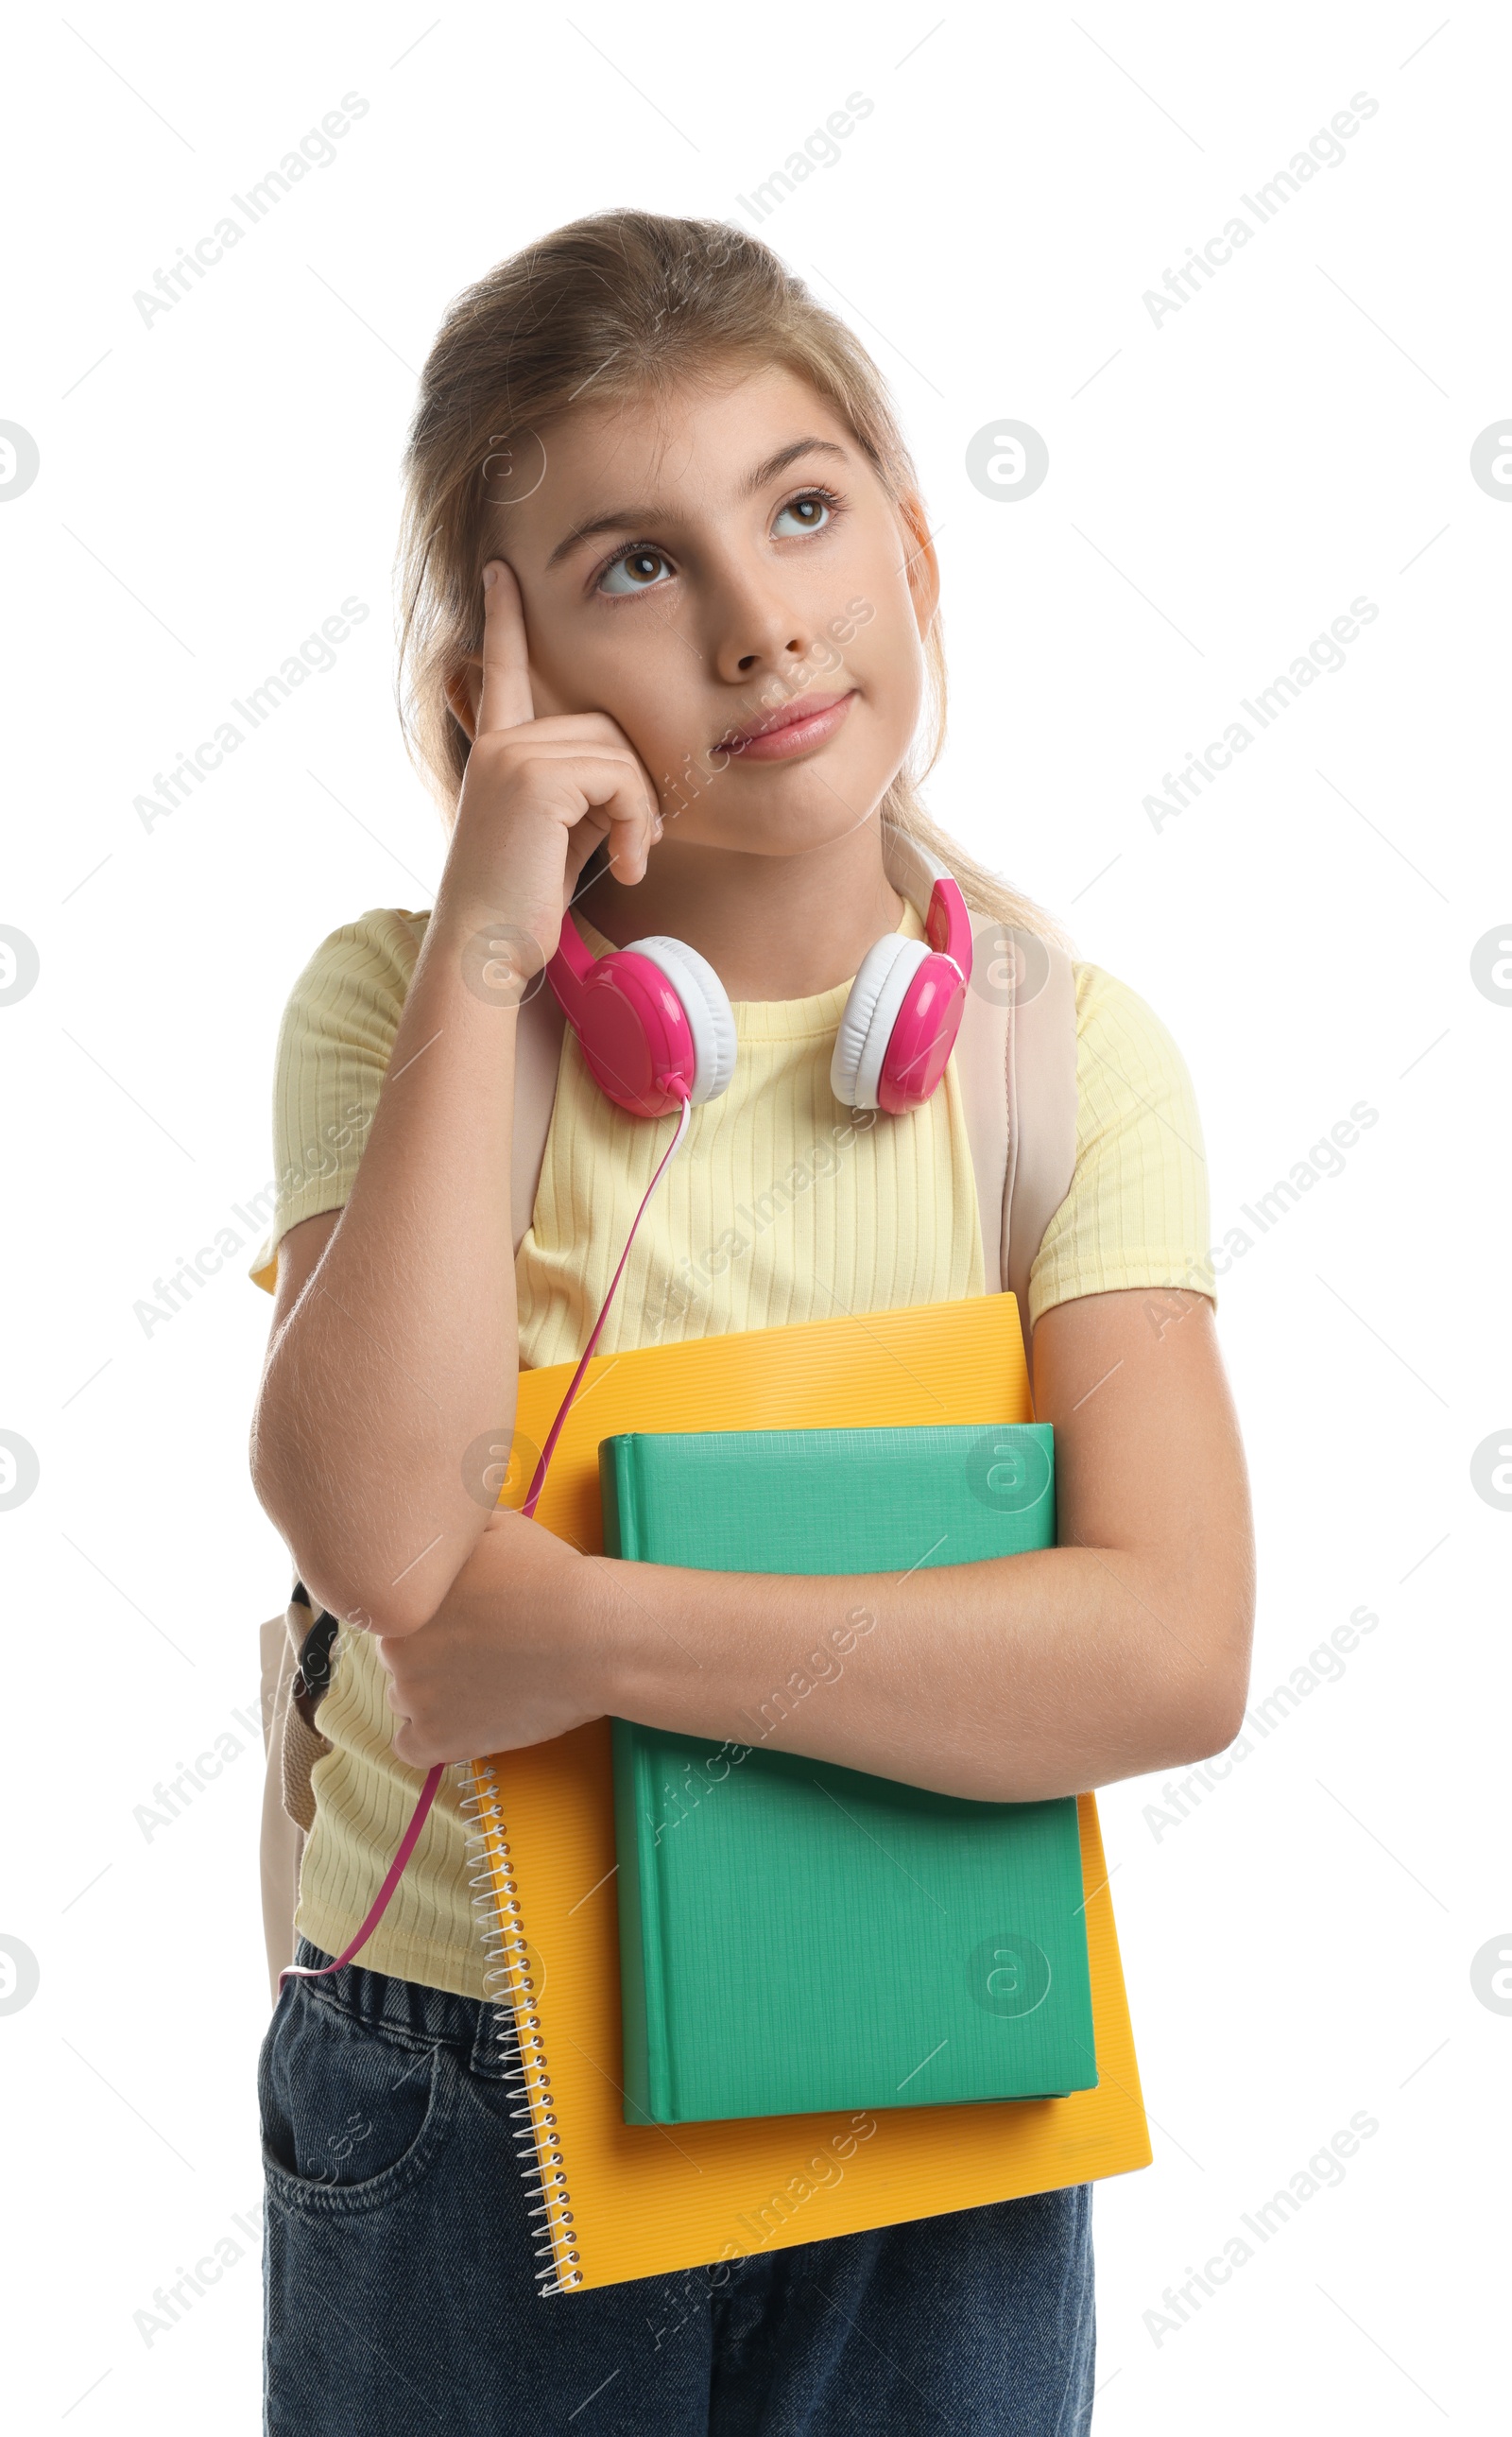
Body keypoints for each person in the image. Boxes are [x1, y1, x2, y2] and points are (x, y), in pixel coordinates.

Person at [248, 208, 1253, 2434]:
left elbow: (1169, 1650)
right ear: (490, 689)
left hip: (924, 2065)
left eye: (800, 511)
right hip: (467, 2069)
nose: (756, 617)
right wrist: (494, 956)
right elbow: (373, 1534)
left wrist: (594, 1631)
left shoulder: (1057, 1061)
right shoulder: (405, 1012)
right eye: (632, 564)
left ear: (910, 545)